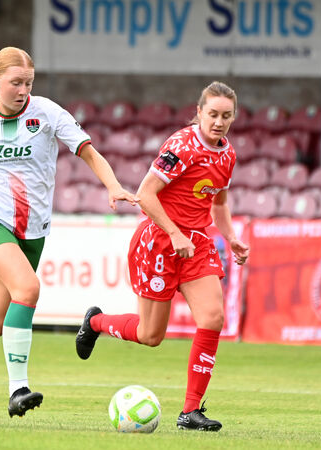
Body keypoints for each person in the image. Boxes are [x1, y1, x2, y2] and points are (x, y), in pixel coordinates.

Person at [0, 47, 137, 417]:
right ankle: (18, 389)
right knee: (28, 288)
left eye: (28, 83)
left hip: (32, 231)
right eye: (16, 82)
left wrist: (113, 186)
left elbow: (88, 151)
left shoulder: (47, 112)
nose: (23, 90)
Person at [75, 81, 249, 431]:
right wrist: (174, 233)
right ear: (199, 112)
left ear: (234, 117)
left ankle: (190, 412)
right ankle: (95, 322)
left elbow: (219, 204)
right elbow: (145, 194)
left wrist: (231, 238)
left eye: (226, 116)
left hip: (196, 244)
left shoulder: (227, 155)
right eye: (213, 114)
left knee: (213, 318)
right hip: (159, 241)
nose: (219, 122)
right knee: (151, 335)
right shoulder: (181, 146)